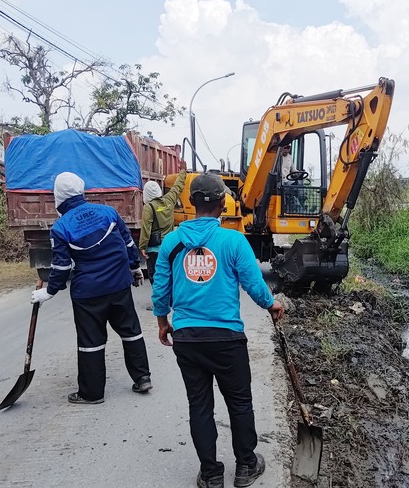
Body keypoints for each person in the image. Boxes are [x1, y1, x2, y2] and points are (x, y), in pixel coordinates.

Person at [152, 172, 285, 488]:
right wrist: (271, 305)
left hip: (187, 337)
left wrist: (162, 322)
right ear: (223, 204)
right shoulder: (233, 240)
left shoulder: (172, 241)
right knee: (239, 402)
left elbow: (160, 289)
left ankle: (211, 475)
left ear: (191, 202)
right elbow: (253, 284)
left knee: (200, 406)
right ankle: (246, 467)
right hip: (227, 339)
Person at [30, 172, 153, 404]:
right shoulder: (108, 212)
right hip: (119, 286)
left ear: (58, 197)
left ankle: (92, 393)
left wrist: (49, 291)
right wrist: (135, 267)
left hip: (88, 294)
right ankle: (142, 377)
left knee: (91, 342)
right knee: (131, 331)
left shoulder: (61, 227)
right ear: (82, 191)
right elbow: (128, 243)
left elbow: (61, 265)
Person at [139, 170, 187, 285]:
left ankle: (160, 300)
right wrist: (183, 172)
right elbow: (178, 186)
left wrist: (142, 246)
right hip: (170, 246)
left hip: (154, 250)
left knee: (156, 277)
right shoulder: (169, 200)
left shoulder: (149, 207)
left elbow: (146, 228)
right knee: (170, 275)